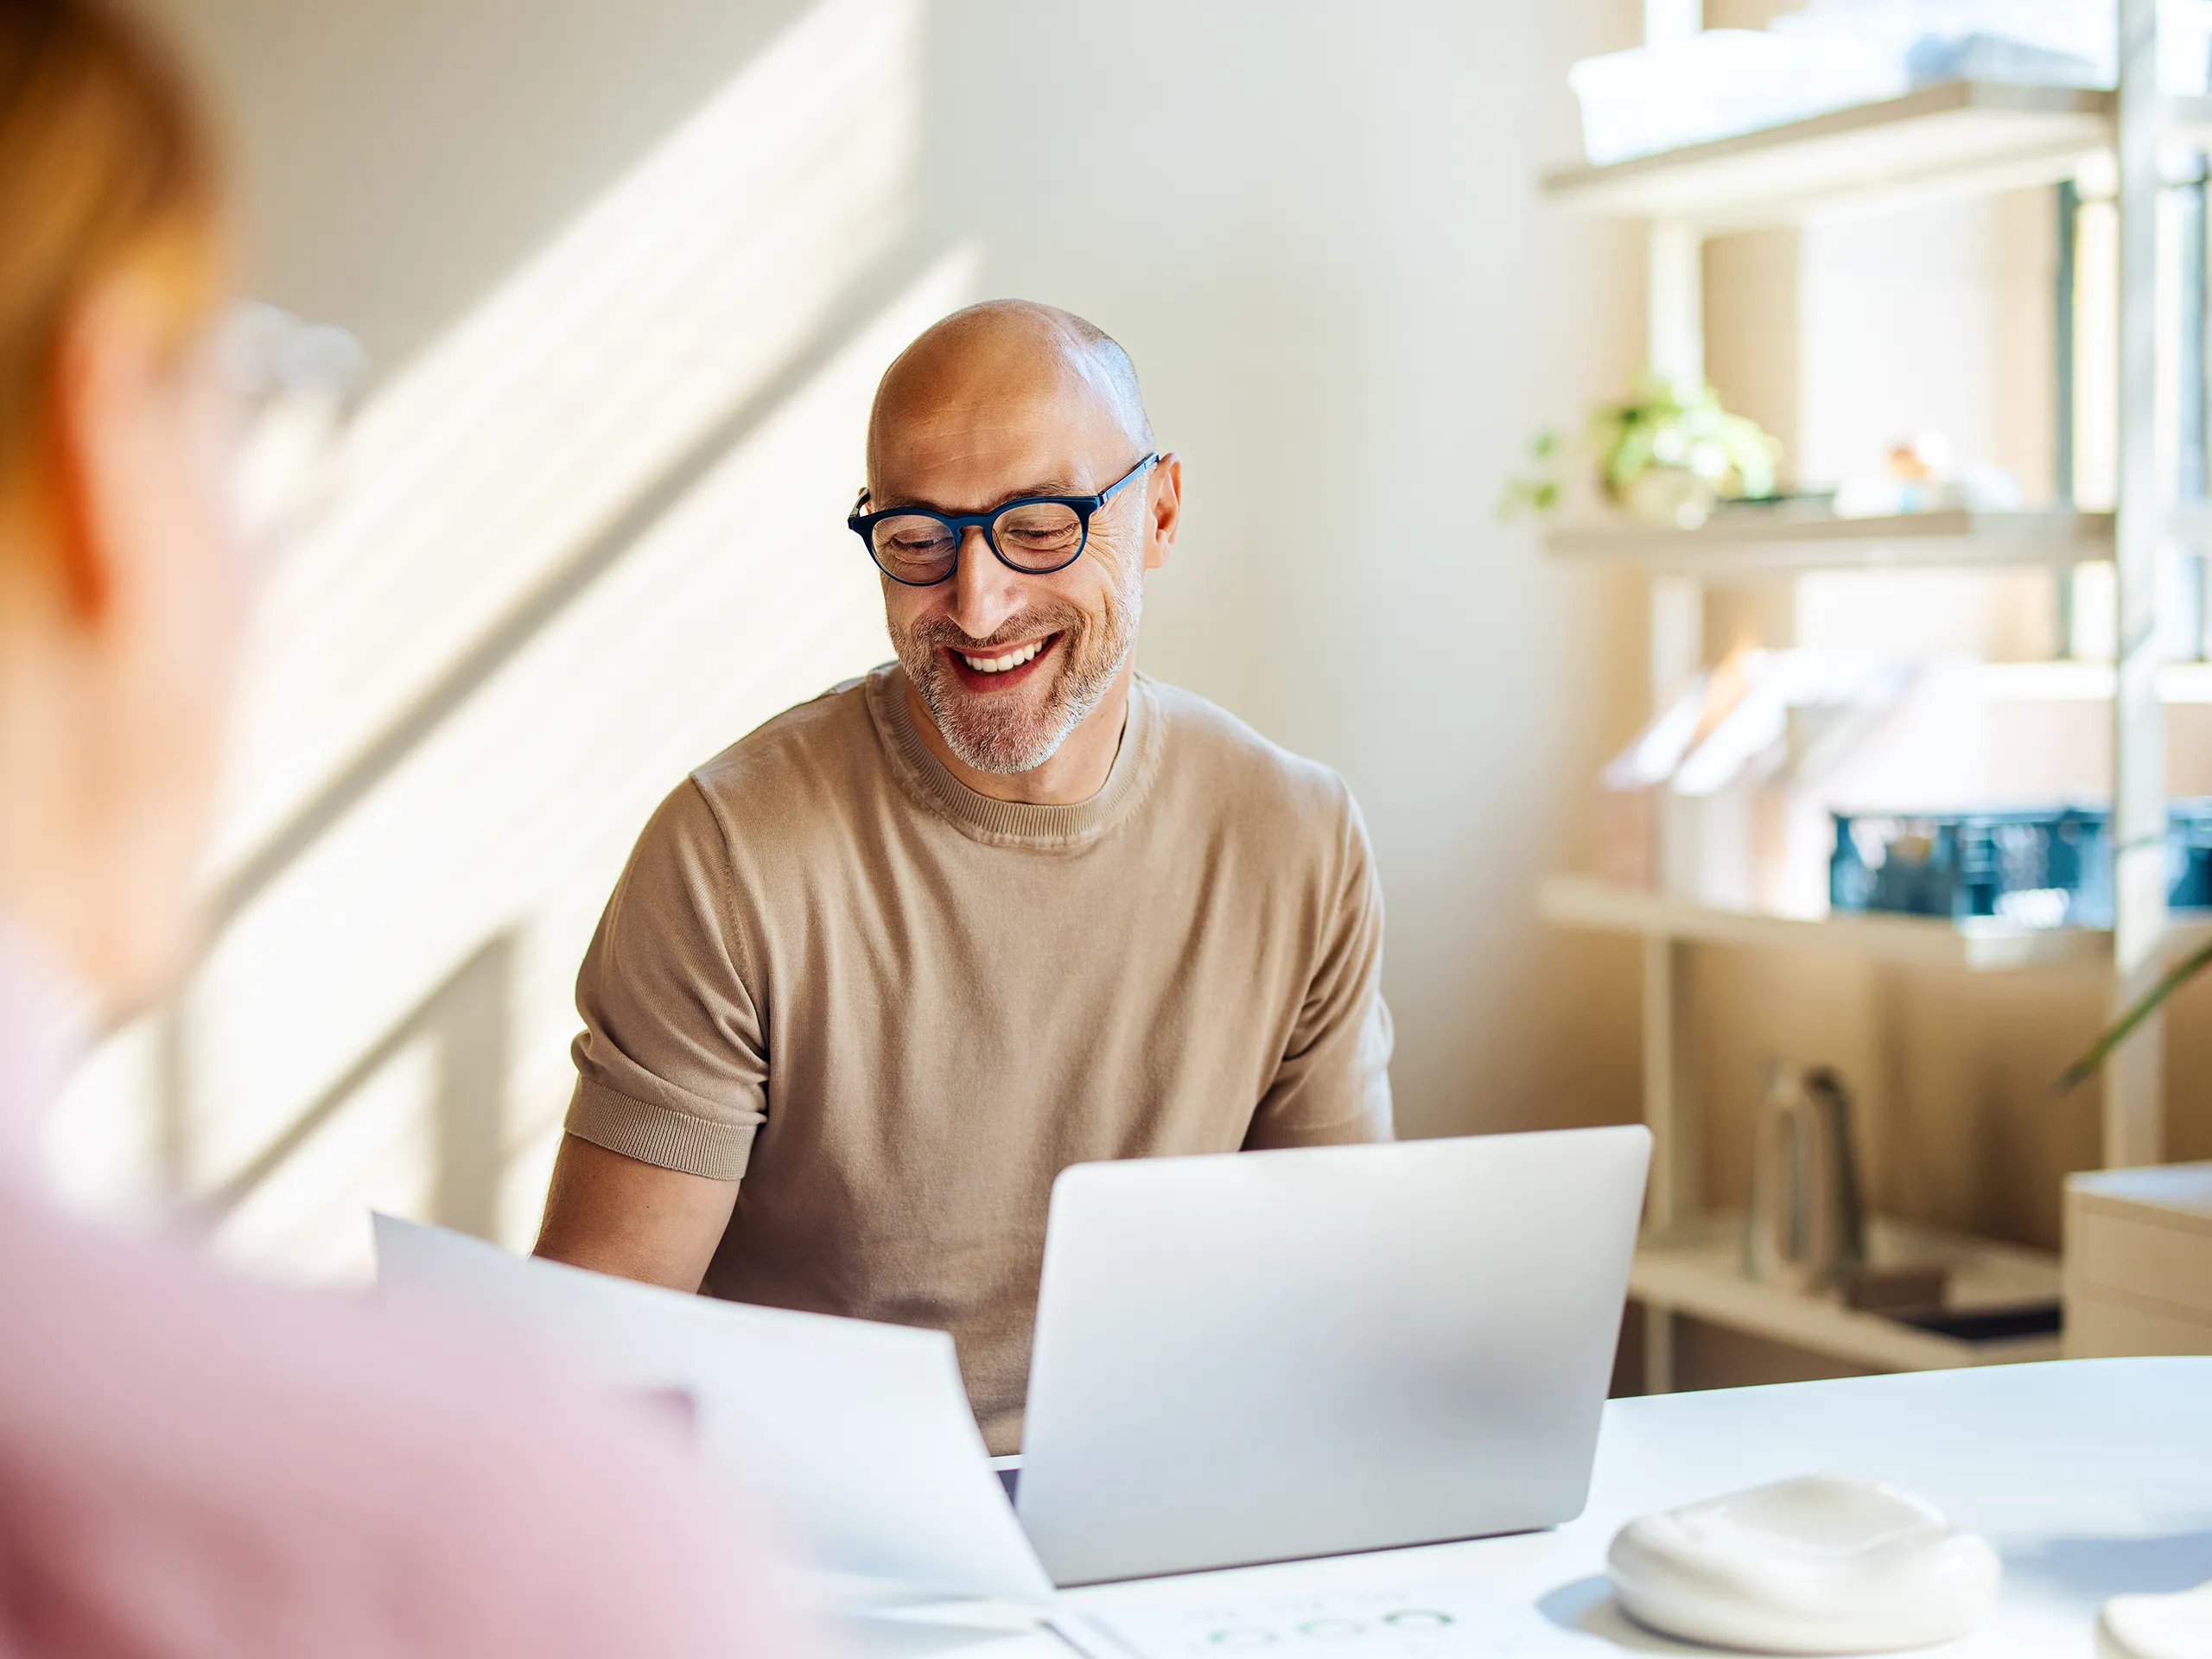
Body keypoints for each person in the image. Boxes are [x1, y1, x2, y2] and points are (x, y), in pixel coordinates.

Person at [0, 3, 798, 1653]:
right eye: (242, 393)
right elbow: (603, 1335)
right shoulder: (494, 1545)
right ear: (103, 448)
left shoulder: (1286, 836)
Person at [535, 299, 1395, 1455]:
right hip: (819, 1535)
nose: (977, 604)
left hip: (1157, 1514)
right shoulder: (729, 853)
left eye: (1038, 526)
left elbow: (1334, 1309)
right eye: (918, 539)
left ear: (1160, 514)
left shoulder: (1298, 837)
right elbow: (593, 1368)